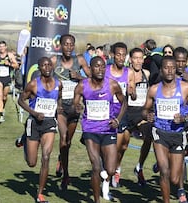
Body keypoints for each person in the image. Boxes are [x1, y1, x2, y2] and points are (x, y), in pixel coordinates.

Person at [143, 56, 188, 203]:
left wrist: (184, 118)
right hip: (160, 132)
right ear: (161, 70)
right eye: (166, 67)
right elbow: (145, 110)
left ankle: (162, 166)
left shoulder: (185, 88)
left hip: (178, 134)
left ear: (176, 70)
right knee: (164, 172)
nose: (169, 71)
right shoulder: (154, 90)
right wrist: (148, 115)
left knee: (174, 178)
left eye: (172, 68)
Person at [72, 56, 127, 202]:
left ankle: (102, 174)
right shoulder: (83, 85)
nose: (100, 69)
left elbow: (124, 102)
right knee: (96, 167)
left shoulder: (112, 85)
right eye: (97, 66)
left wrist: (118, 120)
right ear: (90, 69)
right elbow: (75, 102)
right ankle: (96, 200)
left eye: (103, 66)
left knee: (110, 170)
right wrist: (77, 107)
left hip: (108, 130)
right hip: (90, 130)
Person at [17, 56, 62, 203]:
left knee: (46, 157)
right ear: (39, 68)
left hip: (49, 123)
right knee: (31, 163)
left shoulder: (58, 84)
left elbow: (58, 100)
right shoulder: (33, 85)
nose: (47, 68)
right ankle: (25, 138)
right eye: (44, 65)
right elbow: (20, 100)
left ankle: (40, 194)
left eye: (49, 65)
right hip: (34, 123)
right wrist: (34, 113)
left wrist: (59, 108)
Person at [51, 34, 91, 190]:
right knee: (63, 138)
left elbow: (93, 78)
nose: (68, 47)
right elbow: (45, 78)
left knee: (68, 143)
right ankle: (66, 175)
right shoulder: (54, 61)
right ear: (60, 46)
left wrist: (79, 77)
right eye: (65, 44)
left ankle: (62, 159)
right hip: (61, 107)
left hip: (74, 108)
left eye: (71, 45)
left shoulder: (79, 60)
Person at [104, 42, 130, 188]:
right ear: (113, 55)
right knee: (109, 147)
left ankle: (116, 169)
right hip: (105, 112)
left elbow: (132, 92)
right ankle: (107, 178)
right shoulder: (105, 70)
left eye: (123, 55)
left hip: (121, 112)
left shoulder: (128, 72)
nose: (121, 58)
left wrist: (132, 92)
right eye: (118, 54)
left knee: (121, 147)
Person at [125, 47, 152, 186]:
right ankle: (116, 170)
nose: (138, 61)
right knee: (122, 146)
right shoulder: (125, 74)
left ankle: (139, 167)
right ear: (130, 60)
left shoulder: (146, 73)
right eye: (135, 58)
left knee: (149, 136)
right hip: (127, 112)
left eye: (141, 58)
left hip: (141, 112)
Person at [0, 40, 19, 122]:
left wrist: (9, 64)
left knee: (4, 97)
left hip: (7, 78)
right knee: (0, 95)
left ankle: (3, 107)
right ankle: (1, 115)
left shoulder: (10, 55)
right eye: (0, 47)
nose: (1, 48)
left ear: (6, 47)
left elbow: (17, 66)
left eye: (3, 46)